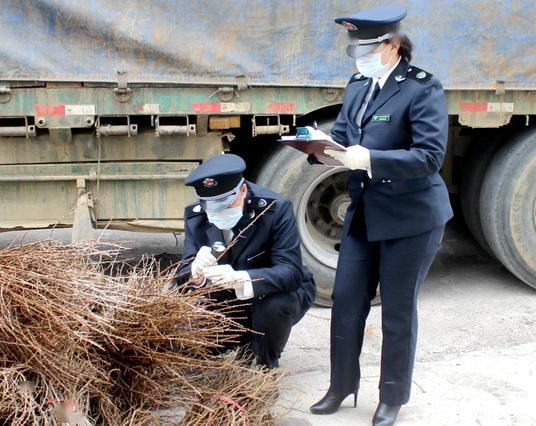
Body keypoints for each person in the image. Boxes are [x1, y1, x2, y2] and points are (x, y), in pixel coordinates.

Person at [308, 5, 453, 426]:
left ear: (392, 45)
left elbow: (428, 157)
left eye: (369, 48)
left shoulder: (422, 87)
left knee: (397, 310)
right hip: (365, 214)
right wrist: (316, 148)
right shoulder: (358, 85)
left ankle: (392, 397)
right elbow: (342, 139)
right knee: (346, 302)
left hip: (411, 218)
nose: (360, 57)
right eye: (356, 50)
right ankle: (340, 387)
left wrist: (370, 157)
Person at [175, 153, 316, 368]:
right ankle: (242, 342)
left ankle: (264, 364)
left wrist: (242, 279)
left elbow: (291, 272)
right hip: (226, 298)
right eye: (210, 206)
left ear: (242, 190)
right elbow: (181, 278)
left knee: (274, 305)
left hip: (272, 295)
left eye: (225, 204)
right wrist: (195, 272)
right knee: (194, 337)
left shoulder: (274, 209)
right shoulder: (196, 216)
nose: (218, 213)